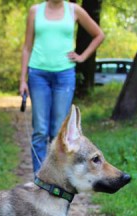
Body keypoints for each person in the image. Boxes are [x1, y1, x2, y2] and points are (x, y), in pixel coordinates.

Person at [20, 0, 104, 175]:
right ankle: (40, 178)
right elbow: (27, 47)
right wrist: (22, 79)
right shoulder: (35, 11)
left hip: (64, 75)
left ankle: (56, 177)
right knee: (40, 131)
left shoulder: (74, 10)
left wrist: (82, 57)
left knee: (59, 133)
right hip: (38, 74)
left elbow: (98, 35)